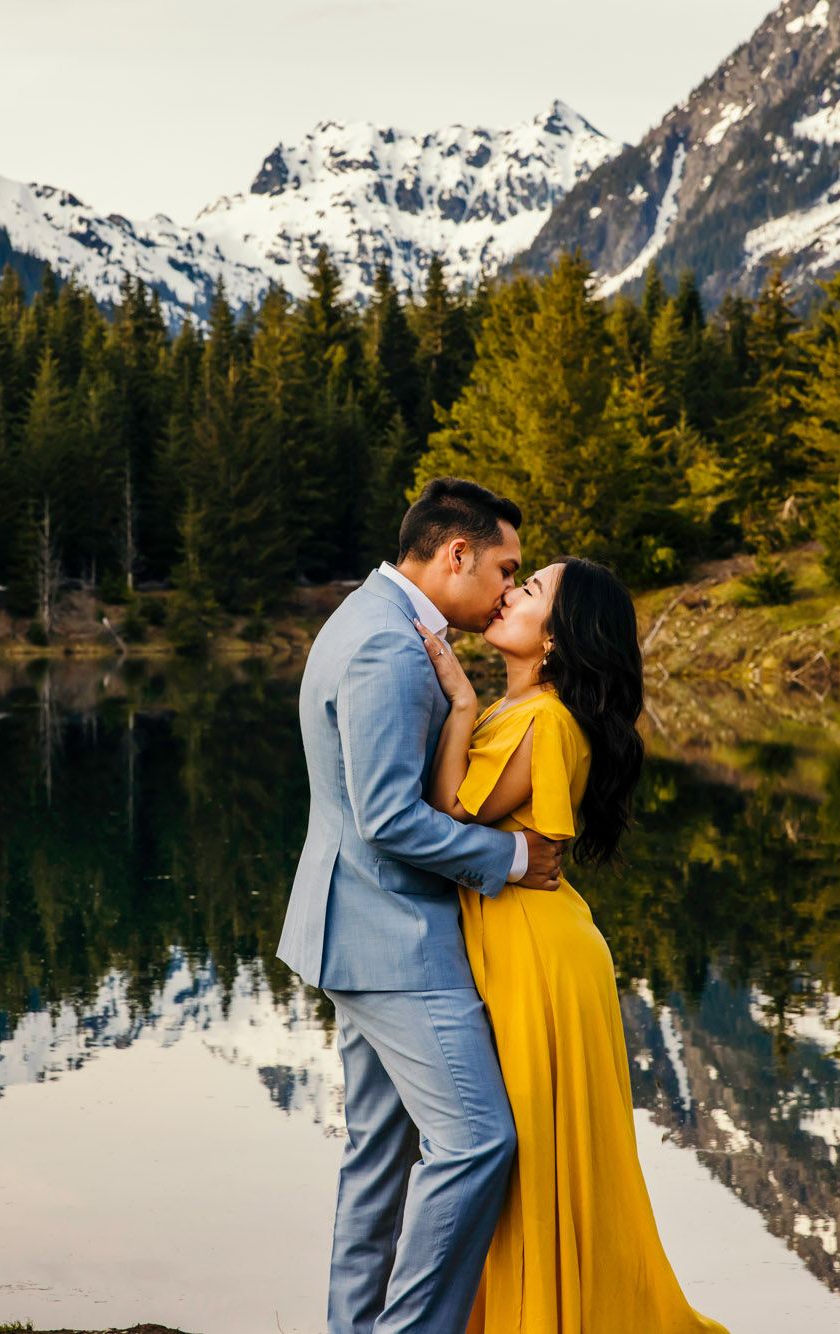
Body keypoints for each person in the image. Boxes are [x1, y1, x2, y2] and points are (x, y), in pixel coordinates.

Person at [278, 478, 567, 1334]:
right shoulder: (387, 647)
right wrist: (512, 855)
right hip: (393, 938)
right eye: (504, 568)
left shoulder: (376, 621)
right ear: (456, 554)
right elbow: (390, 817)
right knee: (477, 1142)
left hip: (358, 931)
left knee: (380, 1154)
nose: (508, 589)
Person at [414, 554, 729, 1334]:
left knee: (525, 1152)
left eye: (529, 591)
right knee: (518, 1152)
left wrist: (458, 704)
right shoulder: (525, 711)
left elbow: (445, 814)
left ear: (557, 637)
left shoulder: (544, 720)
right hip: (528, 941)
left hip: (536, 956)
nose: (508, 596)